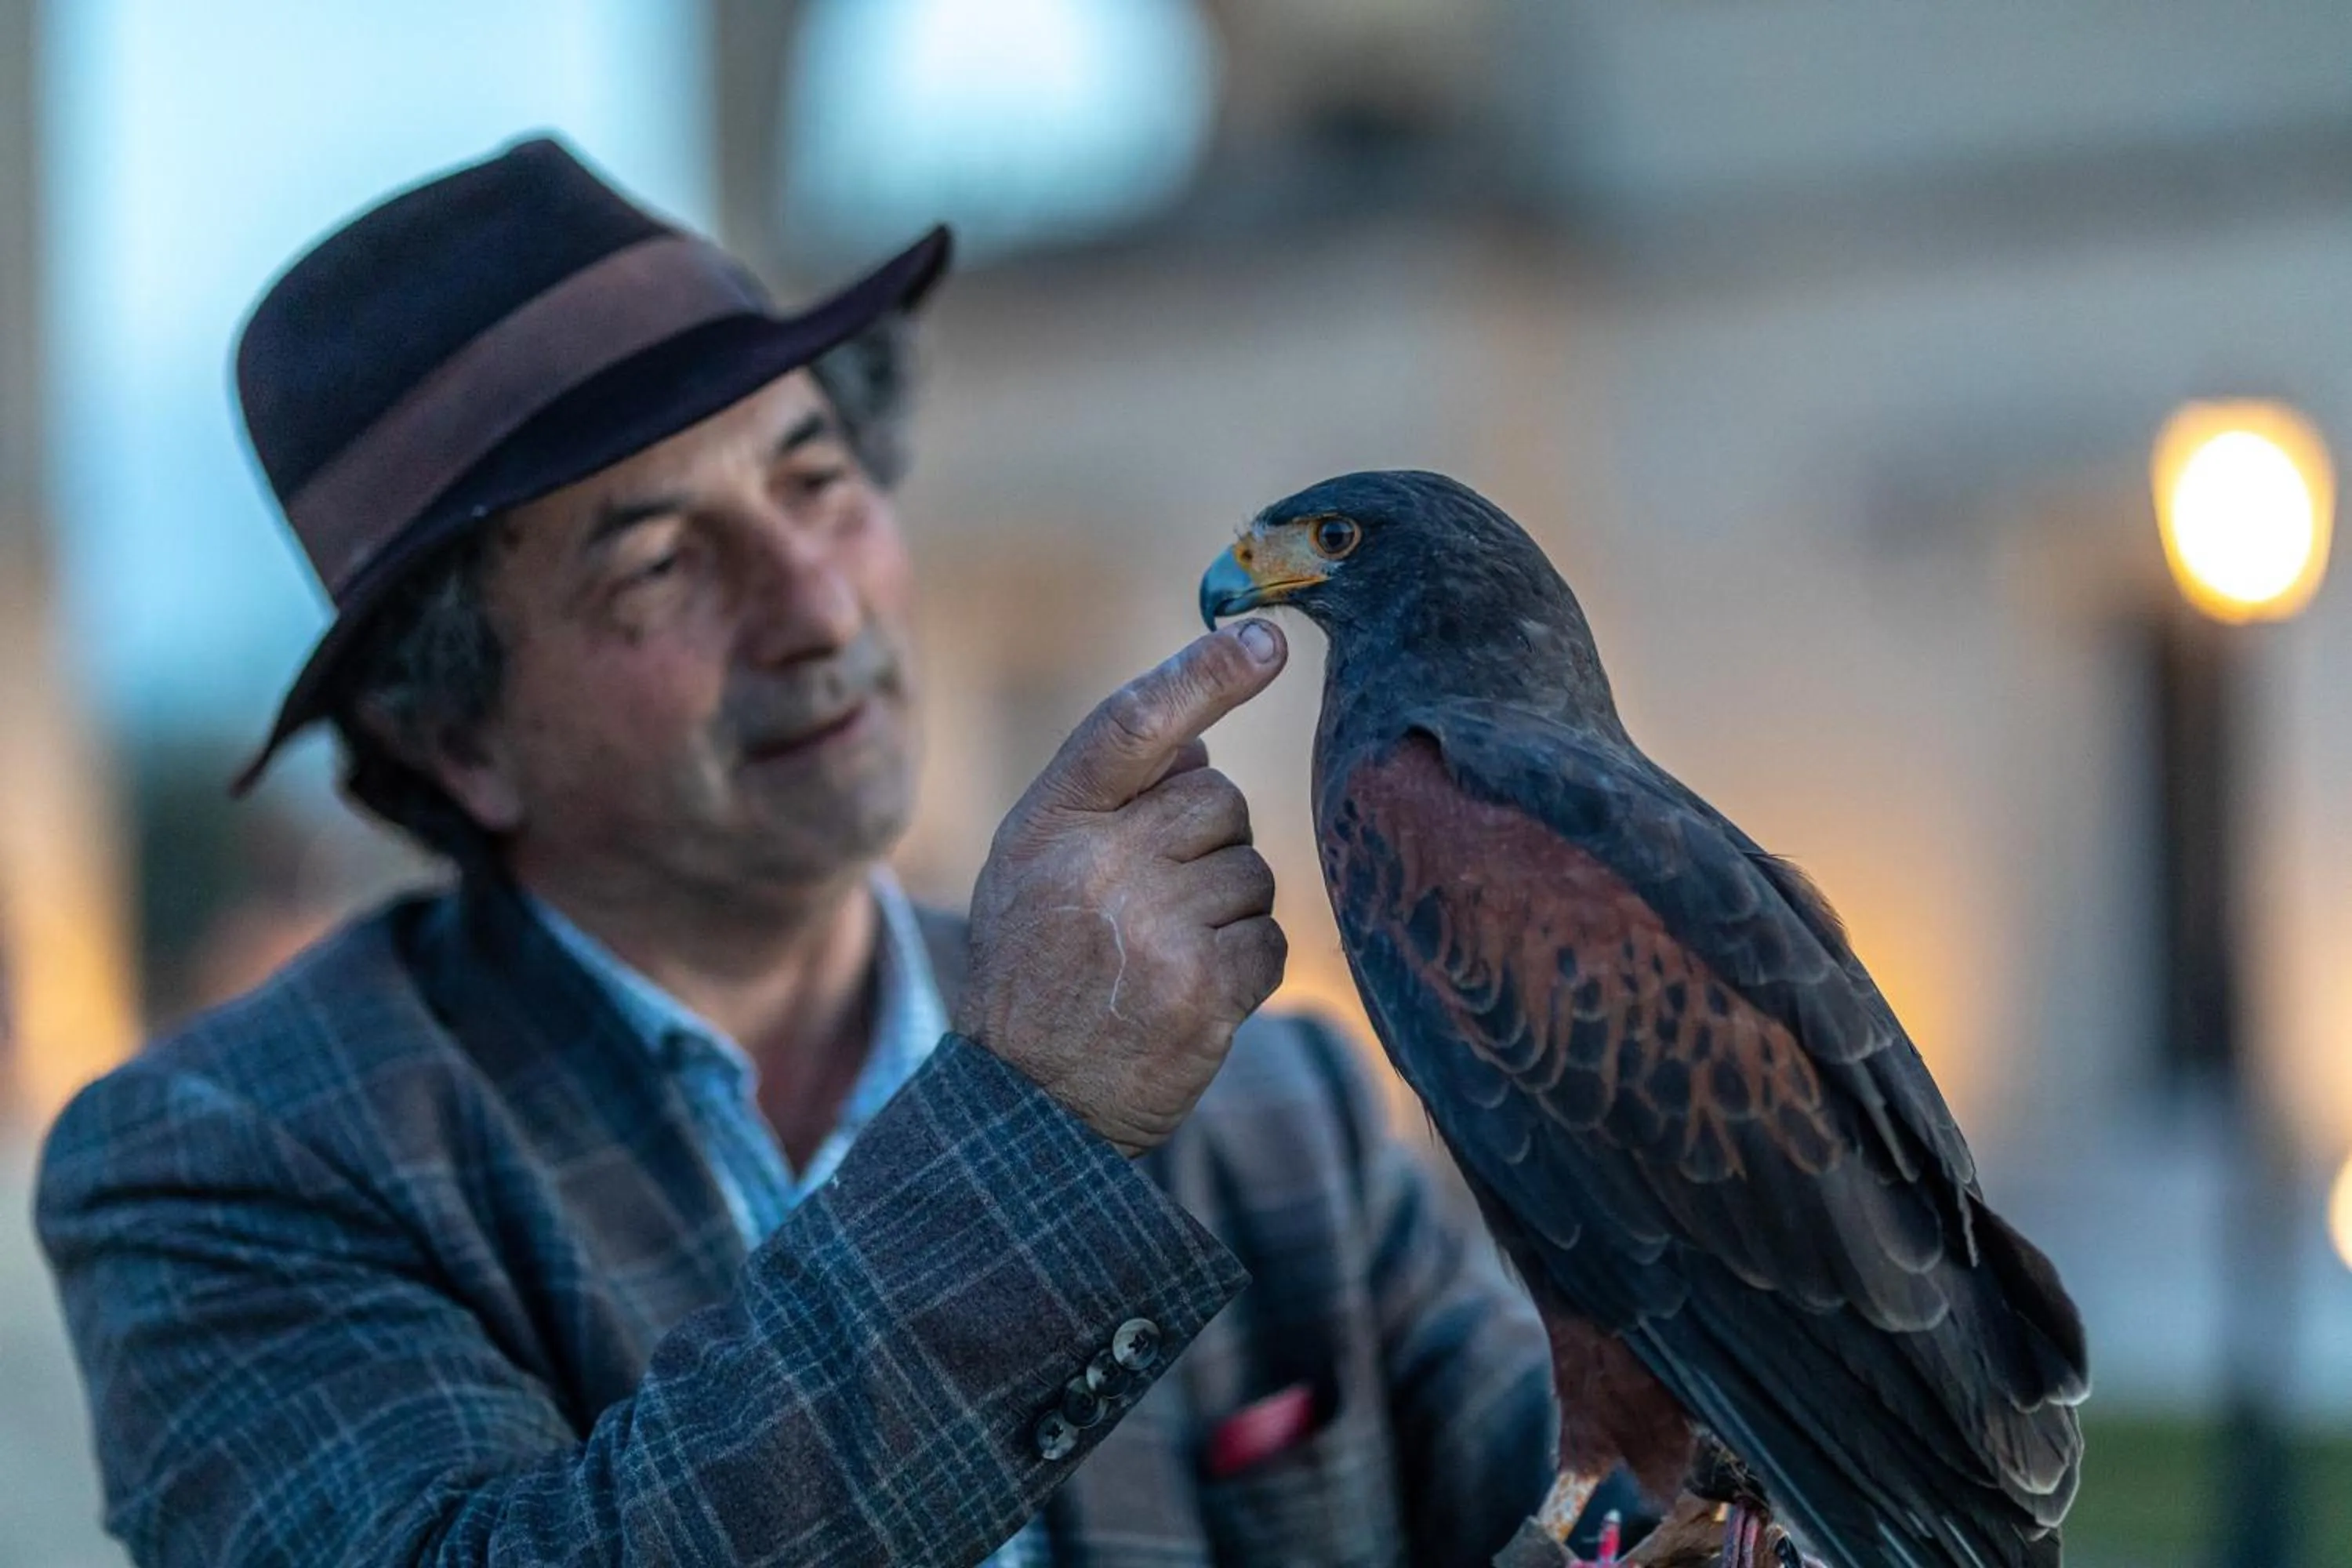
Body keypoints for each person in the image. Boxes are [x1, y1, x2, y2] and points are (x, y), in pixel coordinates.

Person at [36, 137, 1563, 1566]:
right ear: (456, 737)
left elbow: (1594, 1502)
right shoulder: (225, 1161)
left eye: (817, 480)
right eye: (659, 564)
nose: (818, 608)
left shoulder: (1277, 1107)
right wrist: (1035, 1124)